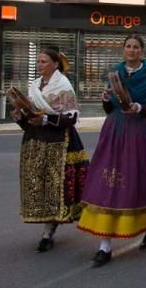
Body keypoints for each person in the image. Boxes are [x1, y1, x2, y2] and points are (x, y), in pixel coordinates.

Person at [78, 35, 146, 266]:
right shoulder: (116, 72)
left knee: (138, 184)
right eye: (128, 46)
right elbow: (109, 109)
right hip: (114, 131)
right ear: (123, 49)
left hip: (140, 134)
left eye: (136, 47)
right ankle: (104, 245)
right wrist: (105, 98)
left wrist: (138, 107)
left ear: (142, 51)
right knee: (107, 183)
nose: (132, 50)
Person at [13, 48, 90, 252]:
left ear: (55, 64)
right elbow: (31, 122)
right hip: (37, 142)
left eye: (44, 61)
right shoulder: (34, 86)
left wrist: (46, 118)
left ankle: (49, 232)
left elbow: (72, 117)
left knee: (59, 187)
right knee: (43, 186)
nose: (40, 65)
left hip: (60, 142)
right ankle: (48, 227)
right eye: (38, 61)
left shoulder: (63, 85)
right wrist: (21, 118)